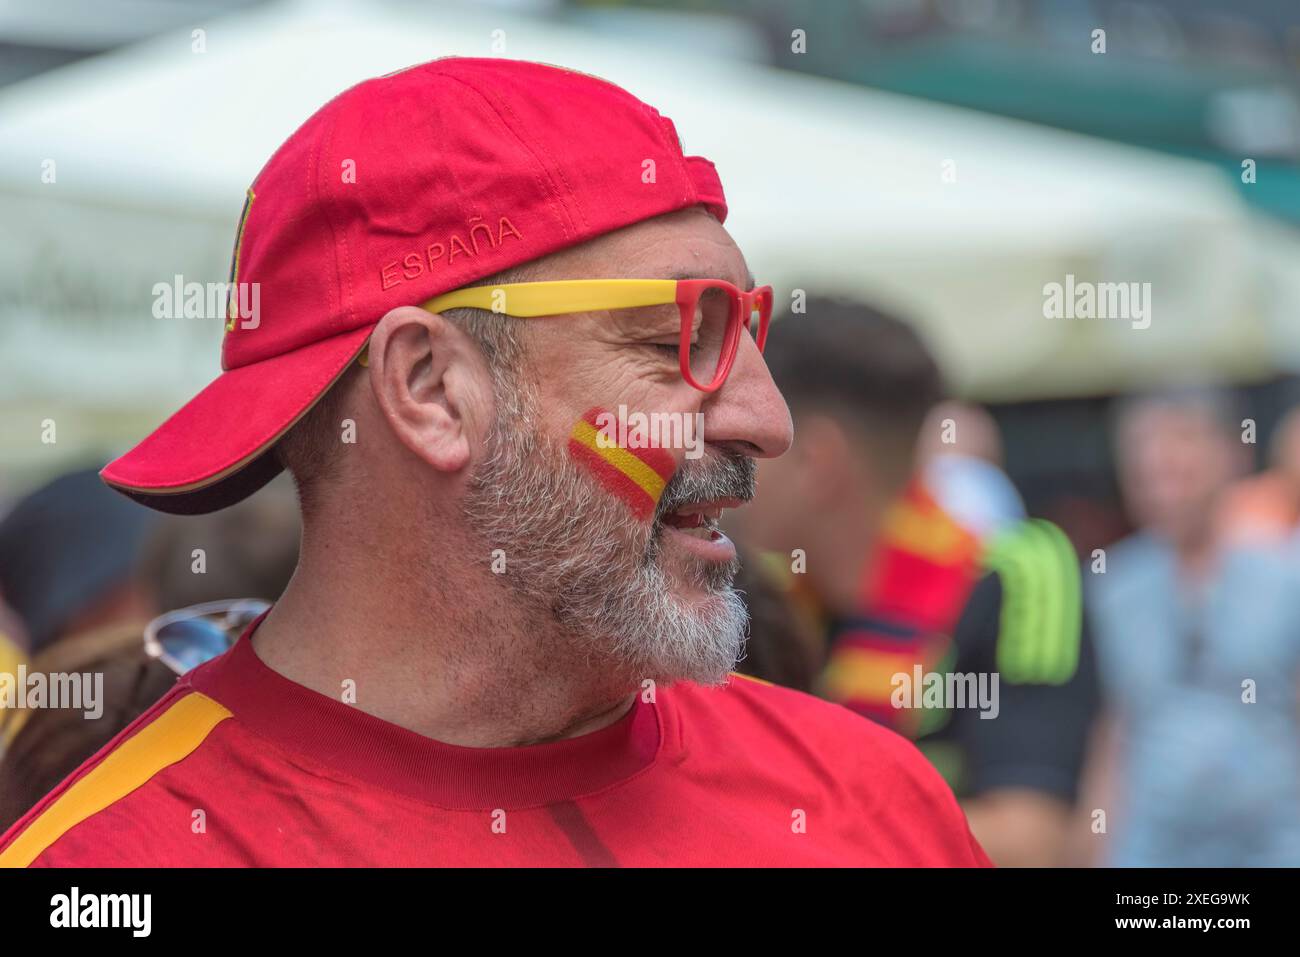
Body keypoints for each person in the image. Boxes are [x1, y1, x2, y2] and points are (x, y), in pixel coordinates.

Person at [0, 59, 989, 867]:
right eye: (670, 343)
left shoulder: (869, 798)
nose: (767, 421)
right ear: (429, 389)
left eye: (747, 338)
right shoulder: (116, 862)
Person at [737, 297, 1097, 866]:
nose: (729, 453)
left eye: (754, 440)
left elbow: (1034, 841)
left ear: (817, 460)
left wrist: (773, 826)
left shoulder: (1016, 574)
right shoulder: (747, 588)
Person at [1085, 388, 1300, 866]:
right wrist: (1095, 838)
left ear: (1233, 458)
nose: (1165, 485)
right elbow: (1118, 723)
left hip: (1274, 839)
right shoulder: (1114, 585)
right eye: (1147, 472)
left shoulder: (1283, 576)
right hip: (1155, 844)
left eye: (1182, 466)